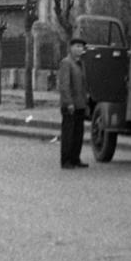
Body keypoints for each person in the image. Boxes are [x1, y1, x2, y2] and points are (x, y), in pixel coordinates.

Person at [57, 35, 88, 169]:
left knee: (78, 133)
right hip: (70, 104)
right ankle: (66, 160)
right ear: (71, 48)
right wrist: (69, 102)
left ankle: (76, 158)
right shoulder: (66, 63)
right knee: (68, 134)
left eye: (82, 47)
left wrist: (85, 103)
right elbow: (64, 85)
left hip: (80, 104)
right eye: (77, 46)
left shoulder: (81, 64)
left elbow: (83, 85)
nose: (80, 49)